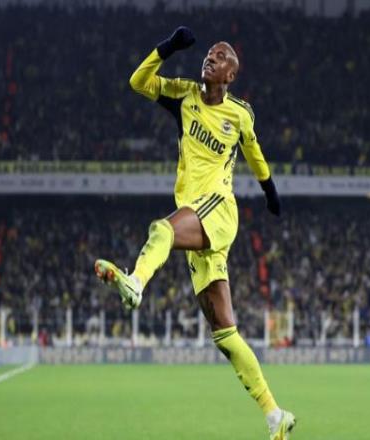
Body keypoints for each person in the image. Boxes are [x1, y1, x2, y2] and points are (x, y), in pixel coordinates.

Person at [95, 27, 296, 440]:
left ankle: (135, 282)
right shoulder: (184, 96)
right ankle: (275, 414)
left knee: (161, 229)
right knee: (225, 334)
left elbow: (255, 152)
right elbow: (138, 82)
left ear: (231, 75)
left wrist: (270, 191)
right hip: (196, 215)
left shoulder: (240, 114)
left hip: (217, 208)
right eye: (209, 53)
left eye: (220, 56)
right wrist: (167, 47)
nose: (210, 57)